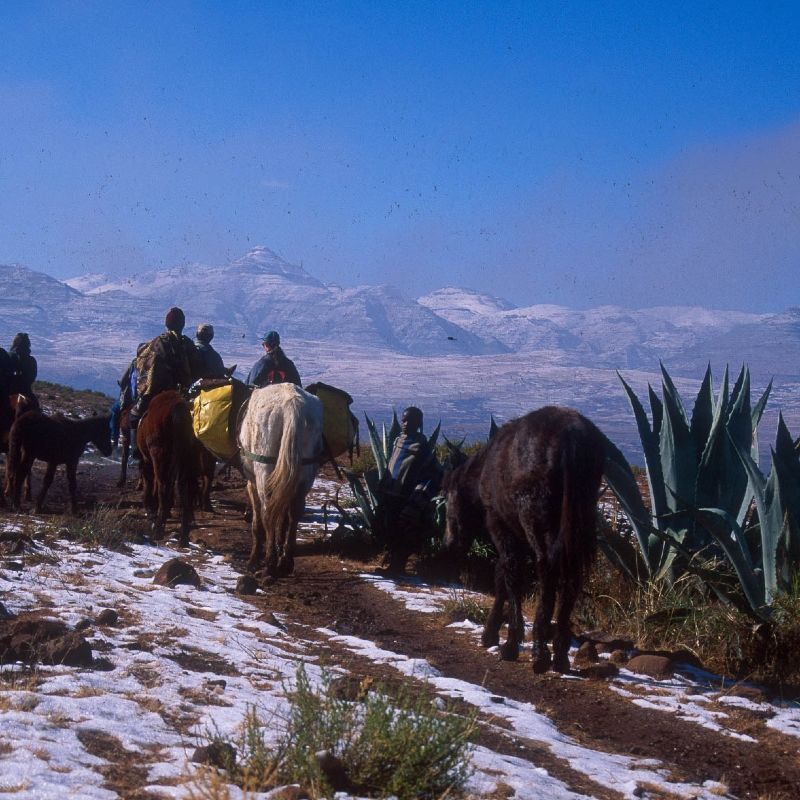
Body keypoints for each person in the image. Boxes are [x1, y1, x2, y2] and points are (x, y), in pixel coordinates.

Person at [129, 307, 200, 457]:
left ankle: (135, 452)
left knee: (134, 415)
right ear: (183, 324)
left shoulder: (156, 343)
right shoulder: (188, 343)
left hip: (158, 391)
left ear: (167, 324)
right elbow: (196, 368)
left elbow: (144, 367)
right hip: (186, 393)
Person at [379, 406, 443, 574]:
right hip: (390, 495)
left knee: (402, 531)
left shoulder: (422, 446)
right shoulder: (398, 441)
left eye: (410, 420)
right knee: (390, 529)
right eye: (403, 420)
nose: (405, 424)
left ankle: (398, 567)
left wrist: (419, 496)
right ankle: (392, 565)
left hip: (406, 498)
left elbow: (433, 472)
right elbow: (392, 465)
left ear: (418, 423)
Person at [8, 332, 38, 406]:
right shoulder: (31, 360)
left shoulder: (9, 357)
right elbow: (31, 378)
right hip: (25, 390)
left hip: (9, 390)